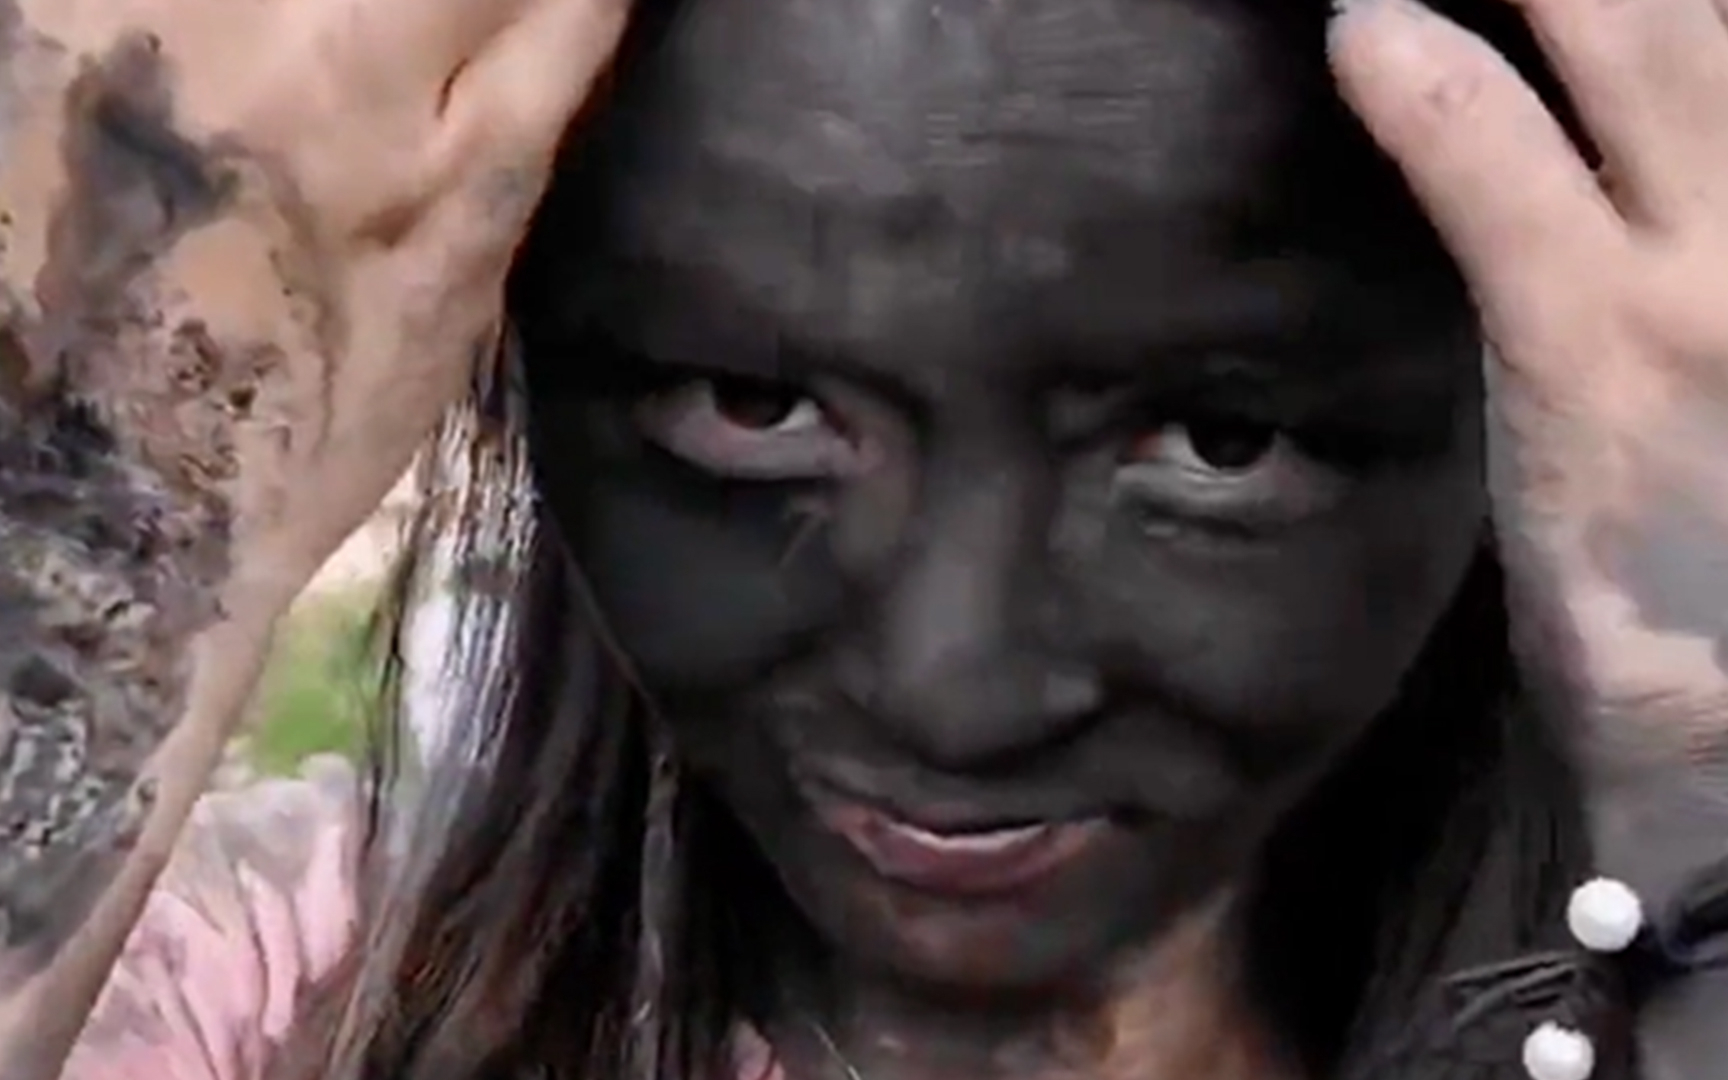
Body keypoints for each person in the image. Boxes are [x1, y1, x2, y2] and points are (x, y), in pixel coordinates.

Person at [14, 0, 1728, 1077]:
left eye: (1217, 443)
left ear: (1543, 402)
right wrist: (113, 492)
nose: (956, 698)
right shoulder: (271, 1000)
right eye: (752, 408)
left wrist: (1700, 766)